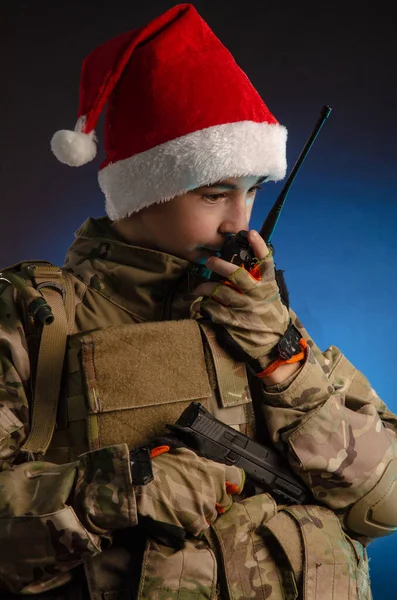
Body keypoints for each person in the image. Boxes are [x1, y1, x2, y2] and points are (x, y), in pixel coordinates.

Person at [1, 4, 396, 599]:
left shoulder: (261, 316)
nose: (241, 223)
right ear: (141, 192)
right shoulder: (36, 317)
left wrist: (283, 361)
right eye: (214, 194)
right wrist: (121, 491)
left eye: (253, 192)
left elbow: (382, 505)